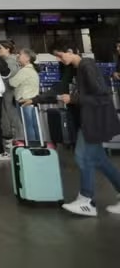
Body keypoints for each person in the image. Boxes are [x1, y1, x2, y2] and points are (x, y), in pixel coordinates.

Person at [33, 41, 120, 217]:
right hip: (87, 120)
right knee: (100, 161)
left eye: (60, 55)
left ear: (71, 51)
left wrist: (74, 99)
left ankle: (87, 200)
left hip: (94, 121)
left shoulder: (87, 66)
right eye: (56, 57)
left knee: (83, 157)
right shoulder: (72, 69)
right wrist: (36, 99)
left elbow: (101, 95)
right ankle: (87, 200)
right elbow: (61, 88)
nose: (60, 59)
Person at [10, 48, 41, 144]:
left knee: (28, 125)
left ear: (27, 58)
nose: (17, 56)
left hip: (24, 100)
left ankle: (31, 144)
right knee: (34, 125)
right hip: (33, 100)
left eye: (20, 54)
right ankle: (38, 144)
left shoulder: (25, 71)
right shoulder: (32, 70)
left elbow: (12, 83)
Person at [0, 40, 21, 146]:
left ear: (7, 49)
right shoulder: (7, 61)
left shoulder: (10, 62)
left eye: (0, 48)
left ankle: (14, 138)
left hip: (8, 92)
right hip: (6, 92)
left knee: (10, 114)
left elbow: (9, 76)